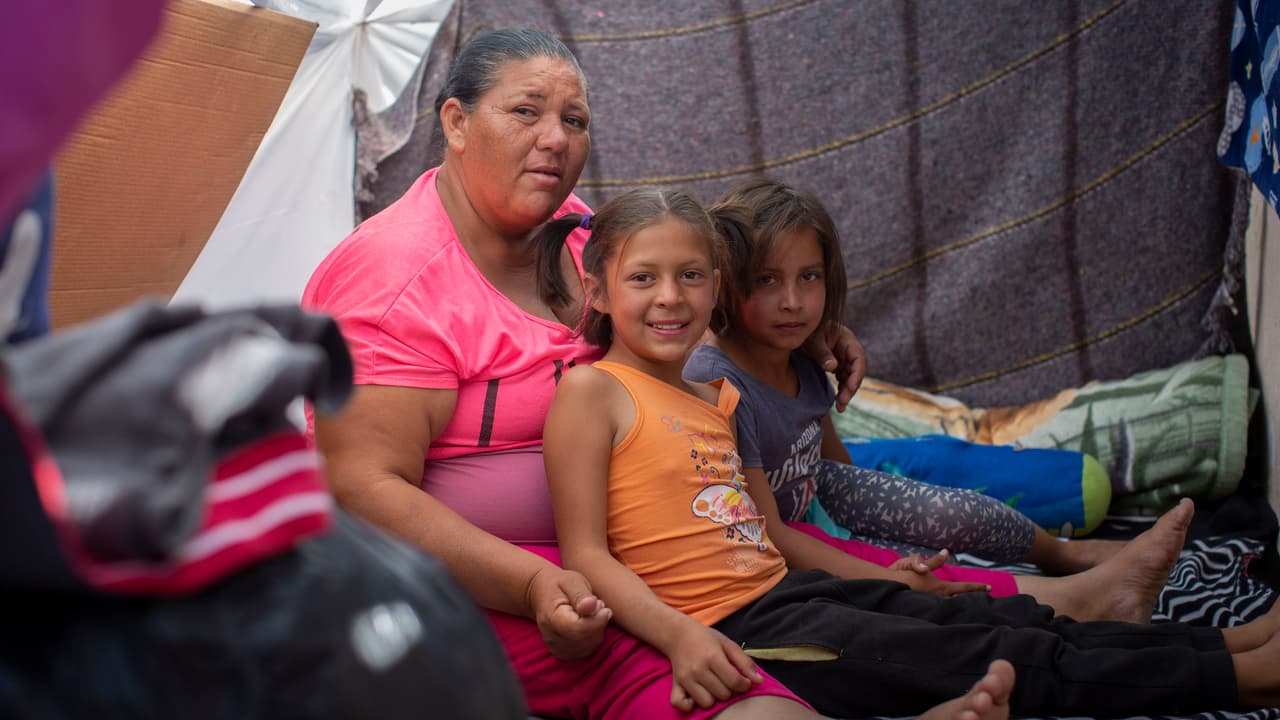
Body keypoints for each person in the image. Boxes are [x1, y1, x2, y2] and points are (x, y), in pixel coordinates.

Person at [303, 26, 881, 720]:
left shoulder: (577, 234)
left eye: (574, 120)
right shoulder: (395, 278)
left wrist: (807, 334)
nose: (556, 138)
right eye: (527, 111)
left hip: (655, 540)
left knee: (859, 601)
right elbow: (362, 487)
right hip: (485, 588)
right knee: (727, 686)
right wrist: (535, 584)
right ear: (455, 122)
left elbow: (683, 283)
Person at [540, 185, 1280, 719]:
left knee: (995, 623)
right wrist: (682, 636)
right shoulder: (593, 393)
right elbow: (587, 553)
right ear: (597, 287)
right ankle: (1245, 680)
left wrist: (879, 576)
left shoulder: (716, 397)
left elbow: (767, 534)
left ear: (713, 290)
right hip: (743, 629)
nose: (670, 296)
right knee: (998, 661)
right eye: (644, 278)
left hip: (790, 595)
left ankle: (1228, 647)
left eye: (689, 276)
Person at [683, 176, 1127, 579]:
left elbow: (836, 468)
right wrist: (884, 569)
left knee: (954, 513)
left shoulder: (805, 350)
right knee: (927, 577)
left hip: (816, 503)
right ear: (725, 283)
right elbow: (771, 533)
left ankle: (1065, 555)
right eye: (767, 280)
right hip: (772, 545)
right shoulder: (717, 381)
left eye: (809, 277)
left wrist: (891, 516)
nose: (793, 301)